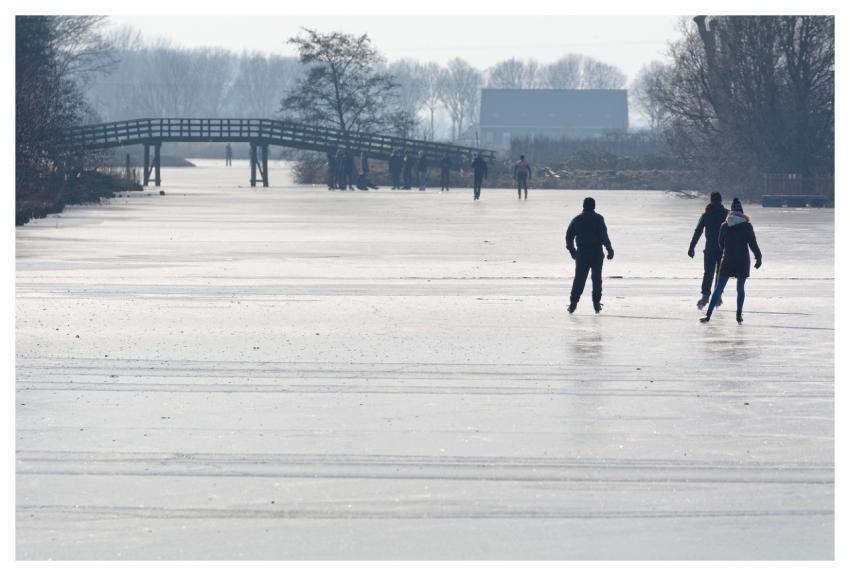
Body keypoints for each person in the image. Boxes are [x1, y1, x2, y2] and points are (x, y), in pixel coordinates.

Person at [700, 198, 762, 325]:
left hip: (727, 259)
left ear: (732, 211)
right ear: (742, 212)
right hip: (743, 261)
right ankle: (739, 316)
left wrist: (726, 251)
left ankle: (708, 315)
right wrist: (758, 257)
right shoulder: (747, 226)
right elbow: (753, 244)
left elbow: (720, 243)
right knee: (740, 288)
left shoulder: (725, 225)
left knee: (718, 288)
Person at [565, 197, 614, 314]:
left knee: (579, 279)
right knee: (597, 279)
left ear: (583, 206)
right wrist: (609, 249)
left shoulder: (577, 219)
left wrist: (572, 251)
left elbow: (569, 236)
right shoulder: (598, 219)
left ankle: (573, 304)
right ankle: (596, 304)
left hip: (582, 254)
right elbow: (604, 236)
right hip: (596, 253)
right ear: (594, 206)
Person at [689, 191, 729, 309]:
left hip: (710, 249)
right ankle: (717, 296)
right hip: (723, 250)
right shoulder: (727, 214)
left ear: (711, 201)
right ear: (721, 201)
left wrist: (692, 247)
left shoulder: (706, 214)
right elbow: (734, 232)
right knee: (720, 274)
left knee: (708, 273)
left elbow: (698, 231)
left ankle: (706, 295)